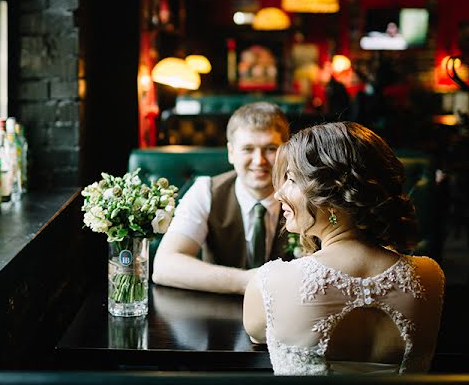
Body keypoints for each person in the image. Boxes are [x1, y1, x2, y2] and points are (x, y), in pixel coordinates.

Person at [243, 122, 445, 375]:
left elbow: (258, 334)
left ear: (331, 196)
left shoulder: (269, 283)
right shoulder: (429, 277)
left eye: (292, 180)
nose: (279, 193)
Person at [151, 102, 294, 295]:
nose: (259, 160)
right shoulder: (206, 191)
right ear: (231, 152)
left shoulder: (306, 194)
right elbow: (164, 267)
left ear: (286, 152)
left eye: (270, 148)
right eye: (248, 149)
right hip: (218, 314)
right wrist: (248, 282)